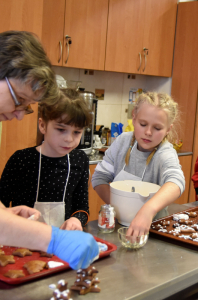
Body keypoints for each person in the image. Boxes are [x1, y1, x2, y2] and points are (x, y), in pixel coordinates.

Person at [0, 30, 99, 269]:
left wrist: (5, 214)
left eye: (27, 106)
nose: (19, 114)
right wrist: (53, 239)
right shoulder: (23, 159)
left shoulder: (77, 161)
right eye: (19, 100)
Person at [92, 92, 185, 237]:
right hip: (119, 226)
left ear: (168, 129)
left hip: (154, 229)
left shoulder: (165, 153)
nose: (148, 132)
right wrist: (122, 208)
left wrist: (147, 211)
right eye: (143, 124)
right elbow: (99, 178)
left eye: (157, 128)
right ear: (134, 119)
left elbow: (176, 182)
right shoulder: (122, 141)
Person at [0, 88, 92, 231]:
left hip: (60, 242)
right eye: (61, 129)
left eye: (77, 132)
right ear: (42, 125)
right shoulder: (21, 160)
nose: (69, 139)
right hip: (21, 241)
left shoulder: (79, 160)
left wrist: (76, 219)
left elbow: (82, 207)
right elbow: (2, 205)